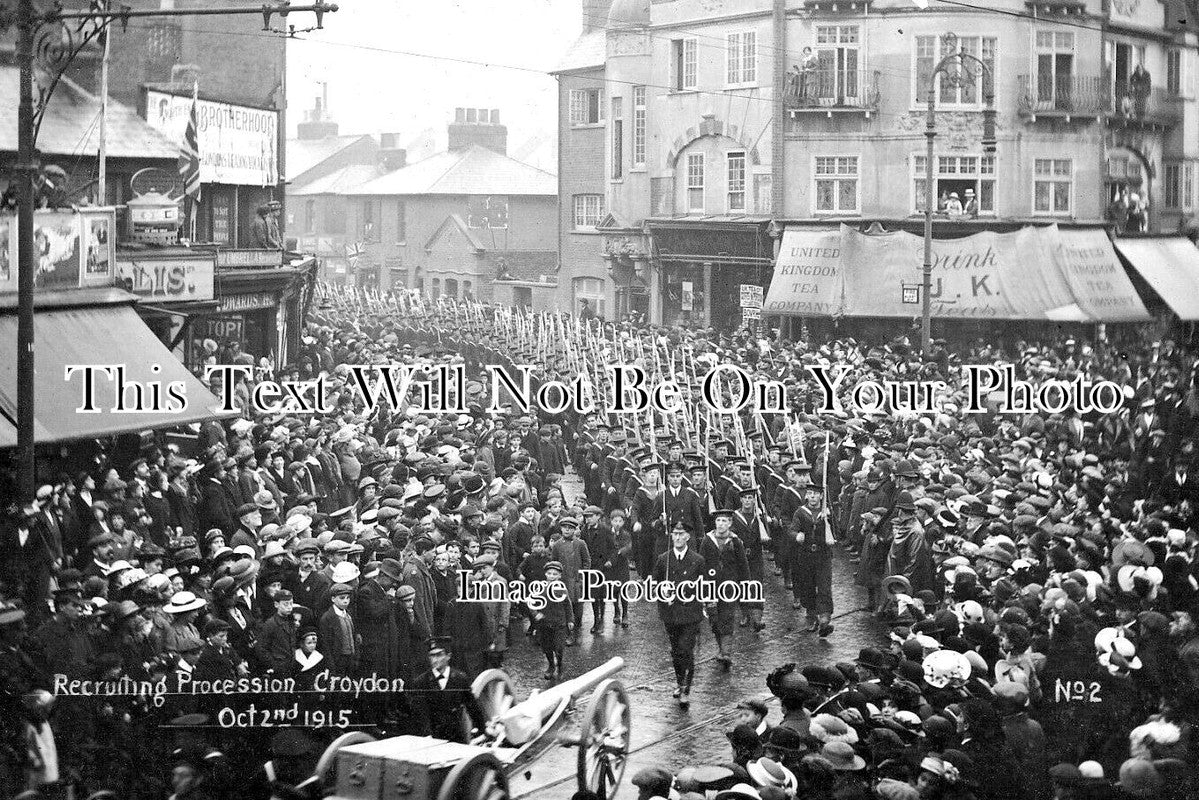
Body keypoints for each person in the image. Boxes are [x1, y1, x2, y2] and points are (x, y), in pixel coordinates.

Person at [653, 522, 705, 706]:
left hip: (690, 613)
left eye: (681, 534)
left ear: (687, 537)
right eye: (674, 534)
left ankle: (685, 689)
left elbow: (703, 587)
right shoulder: (663, 559)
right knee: (675, 651)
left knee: (686, 650)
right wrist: (662, 591)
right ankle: (679, 681)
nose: (677, 537)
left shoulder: (697, 560)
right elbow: (654, 585)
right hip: (671, 614)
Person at [410, 638, 485, 743]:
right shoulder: (421, 682)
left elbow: (472, 706)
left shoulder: (460, 678)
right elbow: (420, 713)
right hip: (433, 740)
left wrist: (480, 730)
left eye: (439, 655)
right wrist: (427, 735)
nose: (435, 659)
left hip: (457, 738)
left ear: (448, 656)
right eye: (432, 655)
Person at [534, 560, 573, 679]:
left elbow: (568, 605)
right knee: (546, 647)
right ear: (545, 574)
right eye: (549, 573)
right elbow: (531, 603)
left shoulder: (562, 589)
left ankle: (560, 666)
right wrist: (536, 613)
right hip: (544, 624)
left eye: (555, 574)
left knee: (559, 647)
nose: (551, 576)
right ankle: (551, 665)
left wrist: (570, 620)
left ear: (560, 576)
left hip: (559, 624)